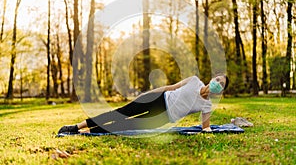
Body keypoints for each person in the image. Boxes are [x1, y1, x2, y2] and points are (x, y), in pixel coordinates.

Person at [58, 74, 229, 134]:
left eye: (221, 84)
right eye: (218, 79)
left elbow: (205, 126)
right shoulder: (193, 80)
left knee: (123, 125)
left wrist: (211, 130)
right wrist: (149, 93)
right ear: (213, 78)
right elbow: (170, 87)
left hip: (162, 118)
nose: (217, 83)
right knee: (118, 113)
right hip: (158, 99)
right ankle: (76, 126)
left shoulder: (207, 106)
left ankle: (87, 132)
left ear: (220, 90)